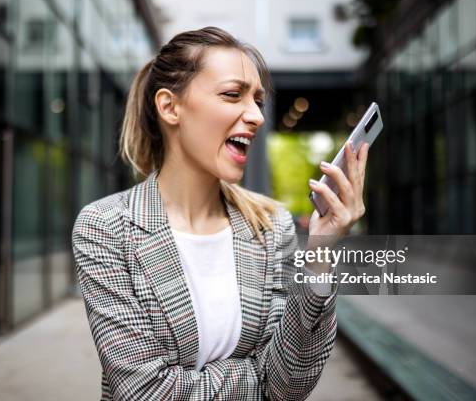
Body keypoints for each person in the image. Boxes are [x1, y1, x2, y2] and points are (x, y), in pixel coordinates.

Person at [72, 26, 368, 400]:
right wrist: (256, 378)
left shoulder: (271, 226)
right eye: (233, 95)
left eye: (258, 100)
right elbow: (145, 391)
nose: (257, 116)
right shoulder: (107, 227)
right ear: (169, 106)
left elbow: (288, 386)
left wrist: (321, 255)